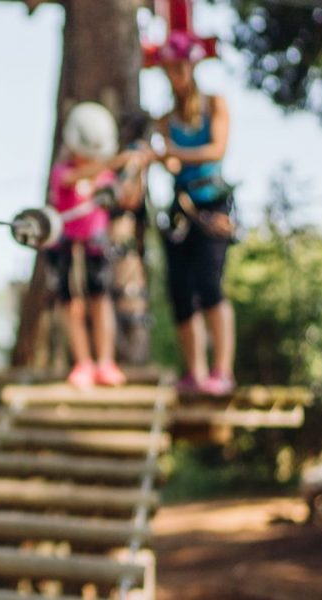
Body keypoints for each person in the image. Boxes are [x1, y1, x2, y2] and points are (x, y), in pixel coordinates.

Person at [151, 29, 237, 396]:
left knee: (209, 284)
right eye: (168, 70)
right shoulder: (165, 120)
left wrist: (170, 153)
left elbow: (216, 149)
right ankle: (196, 372)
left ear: (191, 68)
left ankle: (222, 371)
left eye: (179, 68)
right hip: (180, 207)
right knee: (181, 290)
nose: (174, 76)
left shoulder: (214, 105)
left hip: (212, 204)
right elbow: (167, 163)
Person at [49, 102, 147, 388]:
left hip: (96, 245)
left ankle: (105, 362)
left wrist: (134, 168)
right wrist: (115, 161)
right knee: (73, 306)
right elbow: (71, 178)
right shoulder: (63, 171)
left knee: (100, 301)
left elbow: (128, 200)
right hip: (66, 246)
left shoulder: (105, 178)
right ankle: (83, 362)